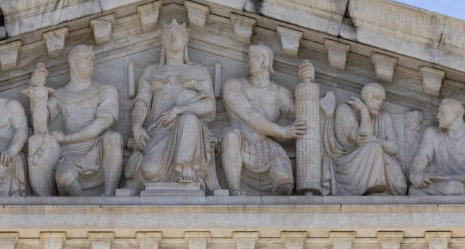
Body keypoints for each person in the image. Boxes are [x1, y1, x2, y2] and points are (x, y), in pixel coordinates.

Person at [125, 20, 218, 192]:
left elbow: (209, 105)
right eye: (169, 35)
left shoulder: (199, 71)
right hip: (159, 131)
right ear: (162, 40)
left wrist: (178, 110)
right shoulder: (151, 72)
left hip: (190, 133)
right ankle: (143, 168)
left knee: (189, 118)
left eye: (179, 35)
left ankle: (186, 168)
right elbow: (142, 102)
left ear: (186, 40)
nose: (173, 38)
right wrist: (137, 126)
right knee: (150, 170)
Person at [28, 46, 123, 196]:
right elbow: (40, 122)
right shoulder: (61, 94)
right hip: (71, 153)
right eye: (85, 59)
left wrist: (67, 139)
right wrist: (37, 88)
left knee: (113, 138)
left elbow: (103, 123)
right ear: (73, 63)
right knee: (64, 179)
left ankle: (109, 196)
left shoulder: (106, 89)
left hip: (99, 147)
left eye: (92, 59)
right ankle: (83, 210)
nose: (91, 62)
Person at [219, 44, 306, 195]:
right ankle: (234, 190)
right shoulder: (233, 86)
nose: (251, 61)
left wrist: (308, 81)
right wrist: (284, 132)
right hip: (239, 145)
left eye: (256, 57)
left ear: (266, 62)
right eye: (250, 57)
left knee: (285, 184)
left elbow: (302, 114)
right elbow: (250, 116)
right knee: (231, 136)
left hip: (266, 147)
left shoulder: (279, 93)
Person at [325, 82, 407, 195]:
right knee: (374, 147)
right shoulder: (345, 110)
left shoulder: (384, 117)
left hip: (375, 157)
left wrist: (375, 139)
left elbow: (393, 147)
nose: (380, 103)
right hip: (349, 163)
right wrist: (364, 111)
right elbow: (362, 138)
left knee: (401, 186)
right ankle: (375, 189)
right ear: (366, 98)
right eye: (377, 98)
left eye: (382, 100)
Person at [409, 98, 465, 196]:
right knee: (414, 191)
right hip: (439, 183)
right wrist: (414, 175)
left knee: (454, 187)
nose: (437, 116)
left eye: (442, 112)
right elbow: (421, 158)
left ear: (456, 114)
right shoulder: (431, 133)